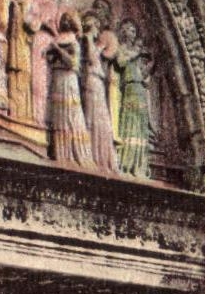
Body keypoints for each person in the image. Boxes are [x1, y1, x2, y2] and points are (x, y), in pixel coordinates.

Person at [46, 11, 93, 168]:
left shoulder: (74, 42)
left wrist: (58, 50)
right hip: (58, 78)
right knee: (59, 116)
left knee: (70, 116)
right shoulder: (61, 39)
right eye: (63, 19)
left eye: (68, 19)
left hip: (68, 79)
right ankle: (61, 153)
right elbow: (51, 60)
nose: (65, 21)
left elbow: (73, 63)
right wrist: (50, 52)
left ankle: (72, 153)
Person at [80, 12, 119, 173]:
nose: (98, 32)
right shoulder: (90, 42)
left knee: (98, 118)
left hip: (95, 82)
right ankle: (96, 155)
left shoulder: (96, 45)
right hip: (91, 82)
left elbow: (95, 58)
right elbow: (91, 59)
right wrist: (89, 38)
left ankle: (101, 157)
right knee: (93, 117)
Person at [114, 20, 154, 178]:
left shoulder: (137, 53)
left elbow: (143, 74)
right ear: (122, 32)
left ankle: (138, 165)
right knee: (130, 124)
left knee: (141, 126)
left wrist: (151, 63)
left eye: (133, 30)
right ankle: (126, 163)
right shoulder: (123, 49)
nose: (131, 33)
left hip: (140, 89)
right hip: (129, 88)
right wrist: (136, 54)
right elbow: (120, 62)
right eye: (129, 30)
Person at [5, 0, 34, 123]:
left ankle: (22, 111)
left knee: (22, 72)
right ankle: (14, 108)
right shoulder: (13, 5)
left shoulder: (25, 5)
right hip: (14, 42)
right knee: (13, 73)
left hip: (22, 44)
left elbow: (32, 25)